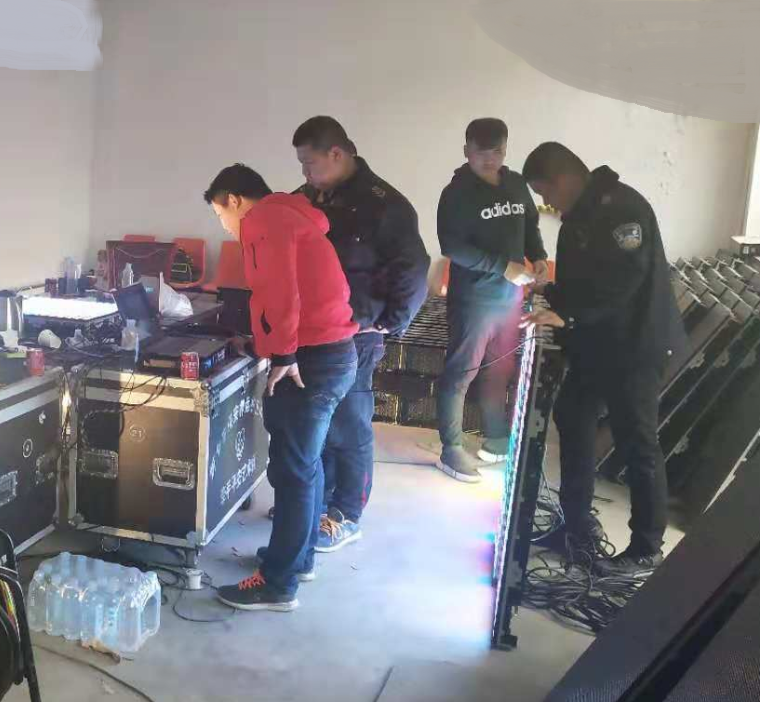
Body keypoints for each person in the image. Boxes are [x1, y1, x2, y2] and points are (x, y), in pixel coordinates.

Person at [521, 142, 686, 578]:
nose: (546, 202)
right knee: (572, 417)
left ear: (564, 179)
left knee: (637, 442)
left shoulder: (622, 209)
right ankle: (576, 527)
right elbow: (584, 281)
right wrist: (550, 294)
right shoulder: (580, 215)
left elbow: (622, 282)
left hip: (635, 346)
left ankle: (647, 548)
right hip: (596, 344)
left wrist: (569, 314)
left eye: (545, 192)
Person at [203, 164, 359, 612]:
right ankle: (297, 560)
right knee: (306, 465)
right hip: (330, 353)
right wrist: (264, 345)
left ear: (234, 200)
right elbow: (297, 292)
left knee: (292, 470)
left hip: (310, 360)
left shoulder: (264, 220)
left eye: (220, 214)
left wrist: (284, 356)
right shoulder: (291, 215)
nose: (224, 225)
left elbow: (280, 291)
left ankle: (277, 584)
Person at [285, 116, 429, 551]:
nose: (305, 173)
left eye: (310, 163)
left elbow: (413, 268)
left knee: (349, 424)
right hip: (312, 329)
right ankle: (317, 500)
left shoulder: (385, 205)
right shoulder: (307, 198)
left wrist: (390, 321)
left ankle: (346, 513)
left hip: (357, 332)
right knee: (318, 420)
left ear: (337, 154)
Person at [435, 118, 548, 484]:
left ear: (505, 150)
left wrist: (539, 256)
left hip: (510, 298)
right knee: (462, 371)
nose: (489, 159)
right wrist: (502, 267)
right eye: (481, 152)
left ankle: (496, 438)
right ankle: (451, 448)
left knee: (500, 370)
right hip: (474, 299)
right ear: (466, 151)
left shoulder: (515, 184)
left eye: (496, 152)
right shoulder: (456, 193)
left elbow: (529, 225)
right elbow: (453, 247)